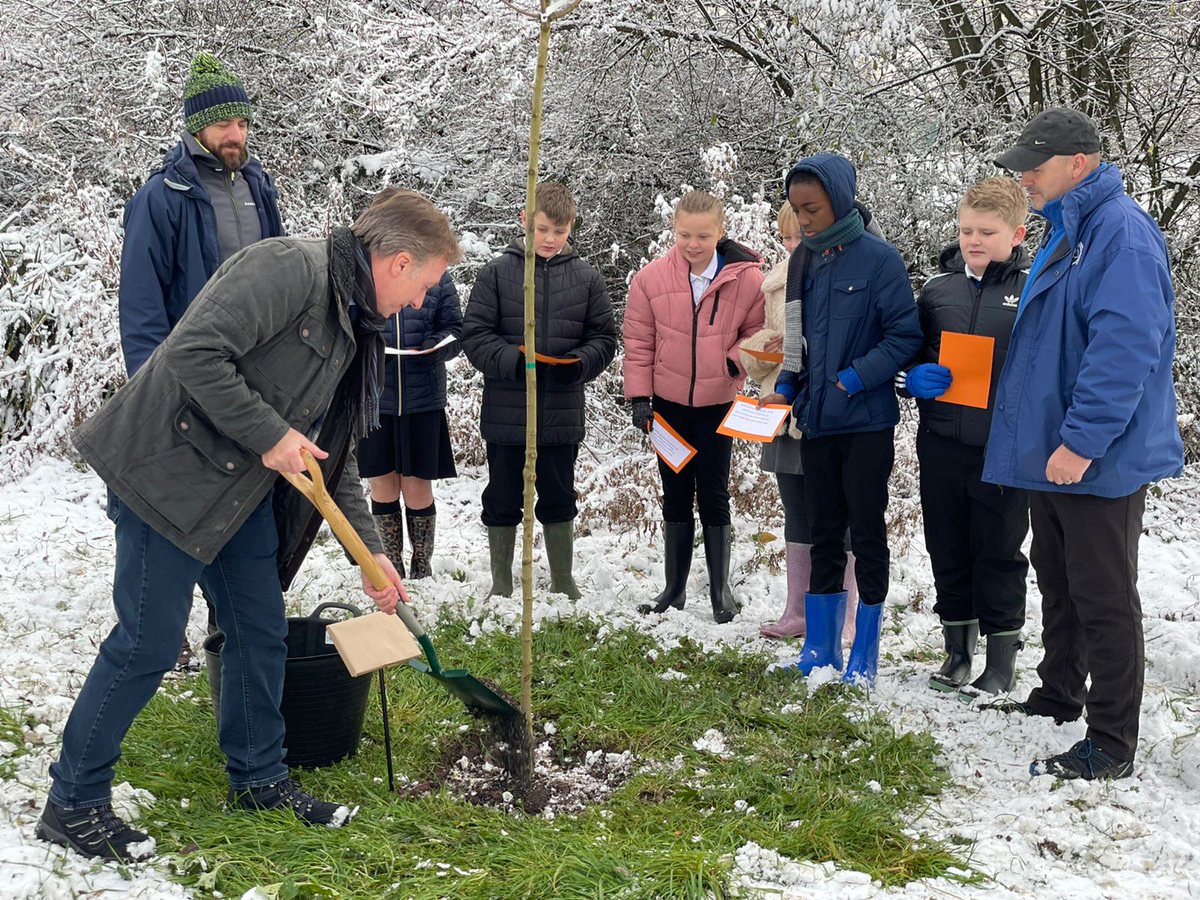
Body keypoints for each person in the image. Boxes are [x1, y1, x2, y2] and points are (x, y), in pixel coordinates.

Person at [37, 189, 460, 861]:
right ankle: (74, 802)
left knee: (260, 631)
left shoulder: (354, 326)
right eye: (424, 286)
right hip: (166, 475)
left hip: (239, 491)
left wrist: (371, 556)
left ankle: (259, 780)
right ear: (399, 261)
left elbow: (336, 454)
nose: (418, 304)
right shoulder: (289, 269)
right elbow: (194, 353)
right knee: (147, 644)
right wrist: (271, 435)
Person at [982, 107, 1184, 780]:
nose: (1026, 181)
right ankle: (1058, 694)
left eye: (1034, 169)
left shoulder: (1120, 237)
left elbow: (1124, 352)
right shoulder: (1070, 231)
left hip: (1095, 458)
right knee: (1060, 581)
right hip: (1057, 454)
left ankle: (1112, 742)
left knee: (1102, 593)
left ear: (1079, 164)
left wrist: (1081, 442)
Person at [119, 51, 285, 667]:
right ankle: (170, 628)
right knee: (182, 509)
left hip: (252, 384)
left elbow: (277, 278)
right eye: (223, 126)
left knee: (240, 510)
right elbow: (140, 308)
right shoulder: (162, 198)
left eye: (242, 124)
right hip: (185, 383)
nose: (235, 135)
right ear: (195, 128)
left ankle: (229, 630)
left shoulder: (259, 186)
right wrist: (154, 391)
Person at [761, 153, 922, 684]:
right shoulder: (805, 260)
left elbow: (905, 336)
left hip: (866, 423)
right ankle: (820, 649)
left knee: (865, 533)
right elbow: (795, 334)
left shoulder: (880, 260)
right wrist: (786, 387)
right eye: (797, 210)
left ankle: (864, 656)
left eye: (813, 208)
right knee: (823, 531)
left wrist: (853, 378)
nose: (804, 220)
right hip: (816, 422)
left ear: (840, 198)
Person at [898, 177, 1031, 694]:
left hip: (1003, 447)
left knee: (997, 550)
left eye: (987, 232)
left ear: (1017, 234)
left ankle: (1000, 662)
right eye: (966, 229)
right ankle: (957, 651)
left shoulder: (1034, 286)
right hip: (940, 441)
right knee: (946, 546)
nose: (974, 241)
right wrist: (912, 378)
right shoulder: (936, 288)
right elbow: (908, 352)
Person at [462, 182, 617, 600]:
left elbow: (604, 337)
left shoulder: (586, 277)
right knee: (502, 495)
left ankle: (563, 579)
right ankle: (501, 580)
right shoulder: (496, 273)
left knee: (559, 494)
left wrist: (580, 365)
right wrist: (512, 361)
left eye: (559, 232)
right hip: (507, 410)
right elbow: (475, 335)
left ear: (571, 230)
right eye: (542, 229)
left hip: (560, 411)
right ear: (524, 222)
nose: (549, 240)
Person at [624, 190, 766, 624]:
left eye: (703, 235)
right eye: (684, 234)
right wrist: (639, 397)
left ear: (720, 232)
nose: (692, 244)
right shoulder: (650, 279)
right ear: (674, 230)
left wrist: (733, 361)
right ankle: (674, 588)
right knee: (675, 492)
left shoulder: (747, 278)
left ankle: (721, 591)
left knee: (715, 492)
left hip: (718, 402)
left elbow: (759, 331)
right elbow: (639, 342)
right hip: (668, 406)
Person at [741, 203, 859, 642]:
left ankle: (843, 614)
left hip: (831, 411)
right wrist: (758, 348)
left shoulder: (844, 274)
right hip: (782, 410)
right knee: (796, 509)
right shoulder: (773, 283)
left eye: (800, 235)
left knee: (840, 510)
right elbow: (750, 353)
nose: (794, 245)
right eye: (787, 238)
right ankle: (797, 610)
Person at [357, 270, 463, 579]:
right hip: (376, 398)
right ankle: (392, 565)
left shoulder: (438, 277)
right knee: (382, 483)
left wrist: (434, 347)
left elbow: (455, 329)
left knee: (418, 485)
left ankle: (421, 567)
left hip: (423, 399)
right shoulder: (370, 272)